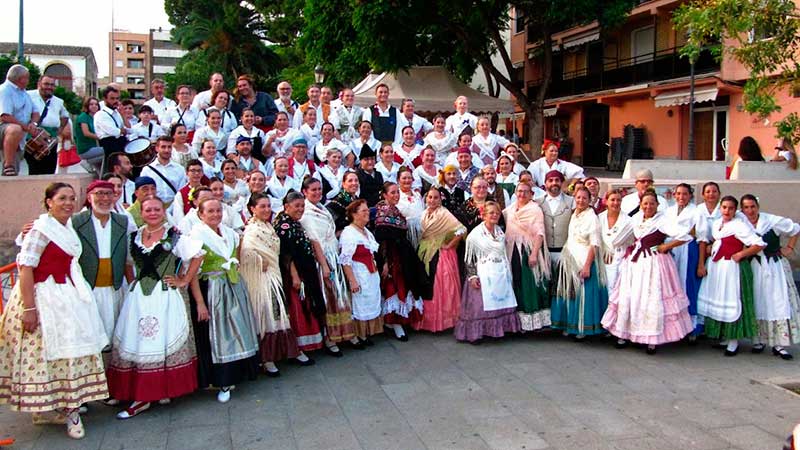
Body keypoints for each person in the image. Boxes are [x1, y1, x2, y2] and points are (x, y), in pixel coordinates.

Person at [0, 183, 108, 438]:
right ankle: (64, 412)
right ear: (49, 201)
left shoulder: (67, 227)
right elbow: (26, 268)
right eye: (62, 198)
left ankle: (66, 408)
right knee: (48, 355)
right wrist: (29, 308)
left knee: (69, 353)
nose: (68, 203)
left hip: (67, 294)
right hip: (43, 296)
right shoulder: (40, 230)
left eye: (72, 198)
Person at [107, 196, 204, 418]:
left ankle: (156, 392)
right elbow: (127, 262)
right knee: (139, 340)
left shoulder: (175, 235)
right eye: (148, 210)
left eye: (157, 209)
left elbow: (198, 256)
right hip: (139, 297)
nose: (152, 213)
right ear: (141, 212)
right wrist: (133, 281)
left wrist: (184, 281)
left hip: (165, 296)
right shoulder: (134, 237)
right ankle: (144, 393)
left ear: (163, 211)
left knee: (161, 339)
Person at [602, 190, 694, 353]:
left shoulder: (663, 221)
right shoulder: (635, 219)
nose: (648, 206)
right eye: (645, 203)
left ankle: (652, 339)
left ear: (658, 205)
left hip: (654, 262)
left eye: (652, 203)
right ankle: (626, 334)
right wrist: (613, 248)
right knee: (632, 297)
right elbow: (619, 239)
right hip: (635, 264)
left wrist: (666, 246)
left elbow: (686, 236)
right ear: (640, 205)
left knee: (651, 298)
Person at [190, 197, 261, 402]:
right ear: (200, 214)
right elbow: (193, 273)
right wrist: (200, 303)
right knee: (219, 335)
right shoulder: (196, 236)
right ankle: (222, 380)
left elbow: (236, 259)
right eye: (210, 211)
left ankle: (241, 372)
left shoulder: (229, 233)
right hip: (211, 289)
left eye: (218, 210)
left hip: (233, 285)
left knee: (239, 328)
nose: (215, 215)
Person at [240, 193, 301, 376]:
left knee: (276, 313)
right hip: (262, 278)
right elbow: (245, 251)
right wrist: (258, 260)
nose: (266, 210)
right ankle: (267, 359)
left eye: (268, 206)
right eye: (262, 206)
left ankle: (276, 355)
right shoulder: (252, 229)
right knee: (268, 313)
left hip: (273, 273)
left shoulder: (268, 226)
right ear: (252, 209)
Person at [697, 195, 766, 356]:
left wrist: (741, 254)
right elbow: (717, 241)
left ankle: (734, 341)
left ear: (735, 210)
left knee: (732, 299)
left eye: (731, 208)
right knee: (720, 299)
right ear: (720, 208)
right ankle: (727, 338)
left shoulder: (740, 226)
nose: (727, 211)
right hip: (717, 267)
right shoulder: (716, 224)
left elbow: (759, 244)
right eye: (724, 207)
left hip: (732, 268)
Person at [71, 180, 134, 347]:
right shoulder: (76, 222)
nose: (104, 198)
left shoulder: (123, 221)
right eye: (99, 194)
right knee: (91, 337)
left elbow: (128, 258)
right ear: (89, 197)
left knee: (116, 337)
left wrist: (132, 285)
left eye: (108, 194)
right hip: (88, 289)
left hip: (115, 288)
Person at [300, 178, 359, 352]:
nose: (317, 192)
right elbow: (314, 240)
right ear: (305, 192)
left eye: (319, 189)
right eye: (313, 190)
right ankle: (330, 338)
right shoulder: (306, 212)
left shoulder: (323, 208)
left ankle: (345, 333)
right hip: (323, 259)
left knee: (340, 295)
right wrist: (324, 264)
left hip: (333, 254)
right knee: (329, 297)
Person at [740, 195, 800, 360]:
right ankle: (758, 340)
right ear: (742, 209)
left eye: (752, 206)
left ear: (758, 206)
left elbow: (795, 229)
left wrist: (789, 247)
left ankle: (779, 344)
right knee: (757, 301)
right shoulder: (741, 223)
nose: (750, 211)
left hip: (774, 267)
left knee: (776, 301)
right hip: (754, 267)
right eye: (746, 207)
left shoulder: (772, 221)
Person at [456, 201, 521, 343]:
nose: (495, 215)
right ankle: (476, 333)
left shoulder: (500, 232)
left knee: (500, 303)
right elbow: (469, 258)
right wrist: (472, 276)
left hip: (499, 272)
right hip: (482, 273)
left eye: (497, 213)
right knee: (480, 305)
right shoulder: (475, 234)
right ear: (483, 215)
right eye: (491, 213)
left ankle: (499, 330)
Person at [551, 187, 607, 340]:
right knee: (569, 294)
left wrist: (587, 266)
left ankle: (583, 327)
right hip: (570, 257)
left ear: (590, 200)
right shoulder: (575, 214)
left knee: (583, 296)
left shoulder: (591, 217)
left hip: (584, 260)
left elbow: (594, 243)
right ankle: (570, 325)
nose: (581, 200)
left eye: (584, 198)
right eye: (578, 197)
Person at [275, 192, 325, 362]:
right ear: (286, 206)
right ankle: (298, 349)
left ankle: (310, 344)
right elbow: (286, 255)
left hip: (307, 271)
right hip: (296, 277)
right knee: (299, 310)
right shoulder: (283, 226)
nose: (300, 209)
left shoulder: (294, 222)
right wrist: (295, 276)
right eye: (297, 206)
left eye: (302, 206)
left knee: (308, 307)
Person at [375, 182, 427, 341]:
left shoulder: (397, 211)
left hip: (403, 252)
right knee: (395, 285)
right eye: (392, 193)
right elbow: (381, 240)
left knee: (408, 281)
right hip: (391, 255)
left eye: (397, 192)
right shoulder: (382, 211)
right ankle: (395, 322)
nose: (396, 195)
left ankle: (402, 320)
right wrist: (384, 262)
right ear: (384, 195)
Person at [416, 188, 466, 332]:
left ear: (440, 199)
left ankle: (443, 321)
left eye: (436, 198)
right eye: (430, 197)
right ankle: (425, 320)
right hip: (425, 250)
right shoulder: (424, 213)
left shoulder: (444, 213)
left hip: (441, 253)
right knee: (426, 282)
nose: (432, 200)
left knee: (440, 284)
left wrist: (449, 244)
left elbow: (461, 229)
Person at [504, 181, 551, 331]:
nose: (522, 194)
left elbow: (540, 233)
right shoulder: (510, 209)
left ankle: (531, 323)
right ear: (515, 193)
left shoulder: (535, 210)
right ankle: (516, 322)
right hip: (512, 250)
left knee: (529, 284)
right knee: (516, 282)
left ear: (531, 194)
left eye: (525, 191)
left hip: (528, 250)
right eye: (519, 191)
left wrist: (534, 254)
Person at [340, 199, 384, 343]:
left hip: (371, 273)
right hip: (359, 273)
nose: (367, 213)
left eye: (367, 210)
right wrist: (352, 281)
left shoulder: (365, 231)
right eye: (363, 211)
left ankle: (368, 332)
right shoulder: (349, 234)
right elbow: (345, 261)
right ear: (354, 214)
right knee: (360, 304)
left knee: (371, 301)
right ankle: (360, 335)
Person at [665, 183, 704, 337]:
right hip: (671, 248)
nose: (681, 197)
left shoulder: (696, 212)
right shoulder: (668, 211)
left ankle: (691, 327)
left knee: (687, 285)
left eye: (685, 194)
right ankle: (673, 327)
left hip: (688, 249)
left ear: (690, 195)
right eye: (678, 194)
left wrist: (700, 263)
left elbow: (702, 237)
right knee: (672, 286)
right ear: (674, 195)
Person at [26, 76, 70, 175]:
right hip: (33, 138)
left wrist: (60, 129)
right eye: (46, 84)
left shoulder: (58, 101)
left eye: (52, 85)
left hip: (50, 139)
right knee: (35, 170)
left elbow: (65, 116)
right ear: (39, 84)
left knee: (50, 170)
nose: (49, 87)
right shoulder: (28, 96)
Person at [1, 64, 39, 176]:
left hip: (19, 136)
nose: (28, 80)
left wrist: (33, 123)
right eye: (27, 77)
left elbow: (35, 112)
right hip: (4, 128)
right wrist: (26, 127)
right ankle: (8, 165)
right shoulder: (5, 91)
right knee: (15, 129)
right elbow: (4, 116)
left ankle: (11, 171)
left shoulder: (25, 94)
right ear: (20, 78)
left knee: (12, 176)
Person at [538, 170, 574, 270]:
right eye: (550, 180)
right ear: (545, 184)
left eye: (557, 180)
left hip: (565, 252)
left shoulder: (572, 202)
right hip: (544, 252)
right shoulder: (537, 202)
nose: (554, 183)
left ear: (562, 183)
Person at [598, 189, 631, 291]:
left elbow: (616, 241)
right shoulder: (599, 218)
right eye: (612, 200)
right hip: (601, 260)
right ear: (606, 201)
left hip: (620, 260)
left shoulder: (628, 220)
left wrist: (609, 251)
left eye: (618, 200)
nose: (616, 203)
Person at [140, 136, 187, 207]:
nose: (166, 150)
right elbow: (144, 193)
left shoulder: (180, 169)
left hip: (175, 208)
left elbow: (180, 193)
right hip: (153, 207)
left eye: (169, 147)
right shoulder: (147, 170)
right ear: (157, 148)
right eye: (163, 147)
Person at [94, 86, 128, 161]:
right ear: (105, 99)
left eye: (117, 98)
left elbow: (127, 128)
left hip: (120, 142)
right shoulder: (101, 114)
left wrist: (123, 114)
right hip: (109, 145)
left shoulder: (117, 113)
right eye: (112, 99)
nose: (116, 101)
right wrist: (122, 131)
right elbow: (114, 131)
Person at [263, 111, 301, 176]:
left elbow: (299, 150)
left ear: (288, 121)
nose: (282, 122)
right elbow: (266, 154)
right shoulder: (269, 134)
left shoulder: (295, 133)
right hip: (273, 163)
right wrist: (269, 141)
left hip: (290, 162)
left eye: (284, 120)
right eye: (280, 120)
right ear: (276, 121)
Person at [74, 96, 105, 171]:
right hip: (86, 149)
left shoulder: (95, 118)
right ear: (87, 106)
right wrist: (103, 137)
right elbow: (86, 133)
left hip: (93, 147)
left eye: (96, 104)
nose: (94, 106)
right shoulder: (83, 117)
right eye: (91, 104)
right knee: (109, 150)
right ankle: (87, 163)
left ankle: (100, 175)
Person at [397, 167, 425, 247]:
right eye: (404, 178)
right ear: (398, 180)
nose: (407, 180)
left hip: (421, 232)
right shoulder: (396, 196)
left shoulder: (417, 195)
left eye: (409, 178)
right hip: (406, 233)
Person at [171, 159, 206, 224]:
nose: (196, 173)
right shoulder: (181, 194)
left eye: (199, 171)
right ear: (187, 173)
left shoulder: (207, 191)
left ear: (202, 173)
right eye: (193, 171)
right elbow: (179, 217)